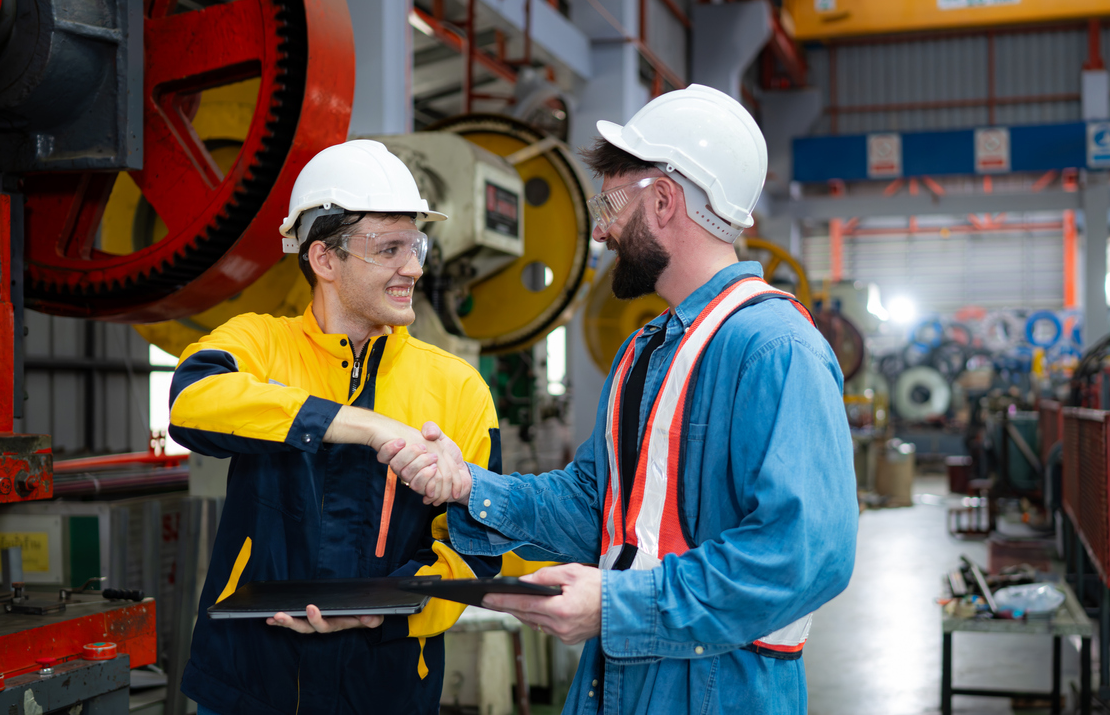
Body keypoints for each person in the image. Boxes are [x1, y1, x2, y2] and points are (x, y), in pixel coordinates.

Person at [384, 85, 859, 714]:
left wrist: (616, 606)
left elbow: (805, 555)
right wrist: (470, 487)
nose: (602, 229)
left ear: (663, 201)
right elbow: (597, 506)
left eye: (609, 203)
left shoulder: (774, 349)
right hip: (619, 680)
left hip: (720, 691)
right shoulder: (648, 349)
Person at [169, 140, 497, 715]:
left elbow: (476, 548)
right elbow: (191, 400)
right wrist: (360, 425)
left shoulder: (457, 387)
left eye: (416, 244)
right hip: (250, 679)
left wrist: (391, 605)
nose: (414, 267)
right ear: (324, 259)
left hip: (383, 681)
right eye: (389, 248)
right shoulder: (259, 344)